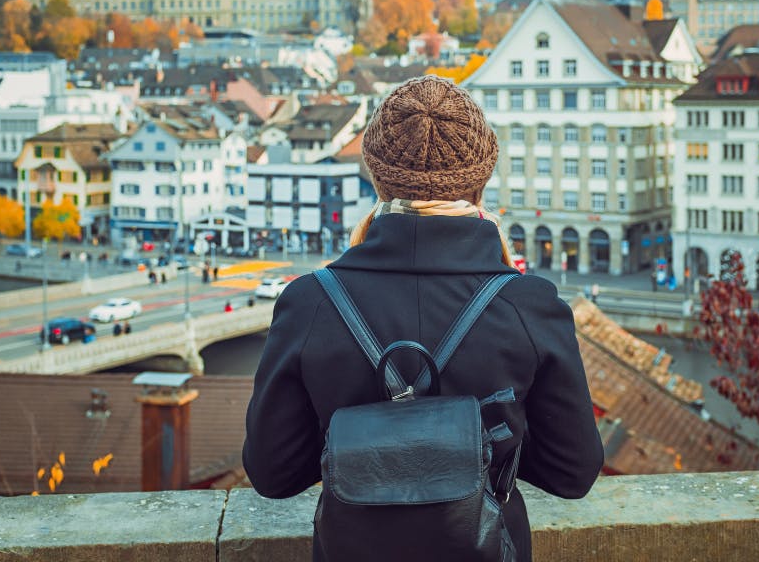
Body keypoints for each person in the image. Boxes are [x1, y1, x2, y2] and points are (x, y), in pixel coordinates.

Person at [244, 76, 603, 561]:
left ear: (378, 177)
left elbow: (273, 474)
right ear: (481, 179)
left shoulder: (309, 303)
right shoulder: (529, 306)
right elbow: (572, 473)